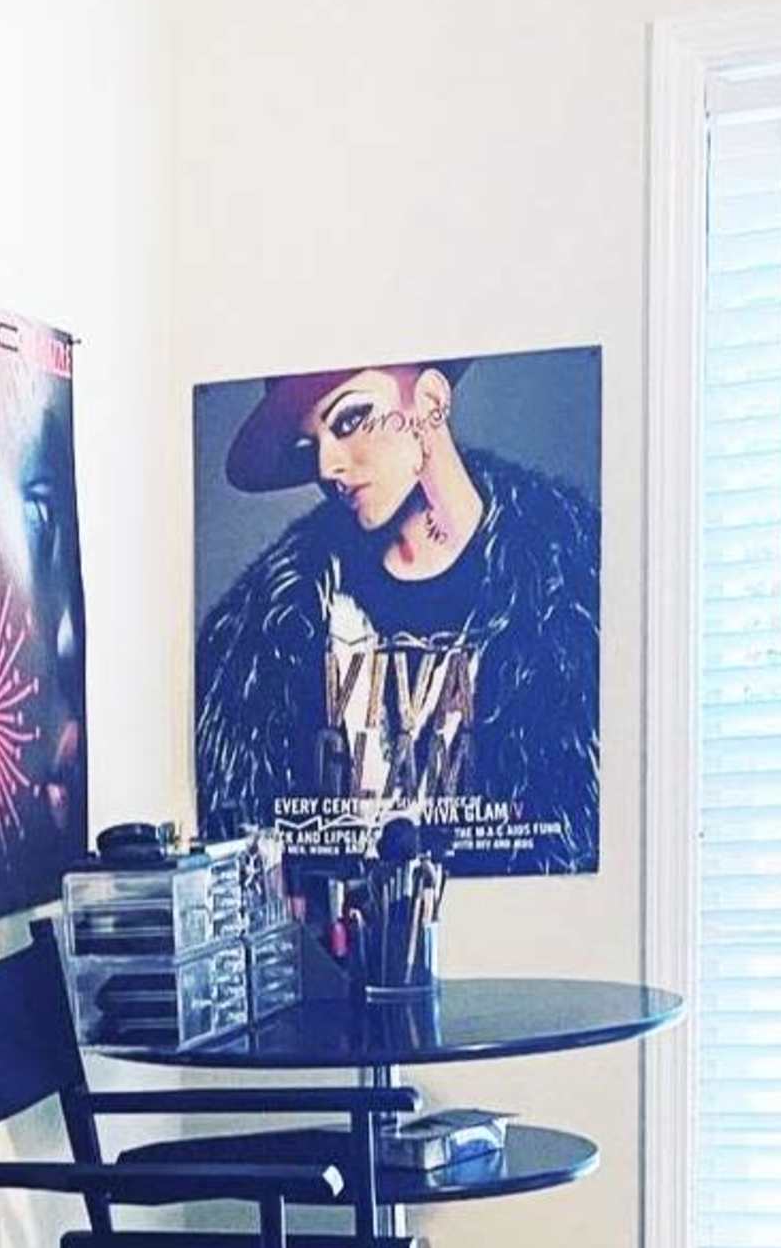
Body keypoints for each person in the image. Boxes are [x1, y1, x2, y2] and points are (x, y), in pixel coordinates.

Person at [193, 361, 601, 870]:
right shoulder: (264, 638)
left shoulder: (573, 593)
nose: (326, 466)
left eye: (349, 420)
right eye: (310, 445)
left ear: (430, 403)